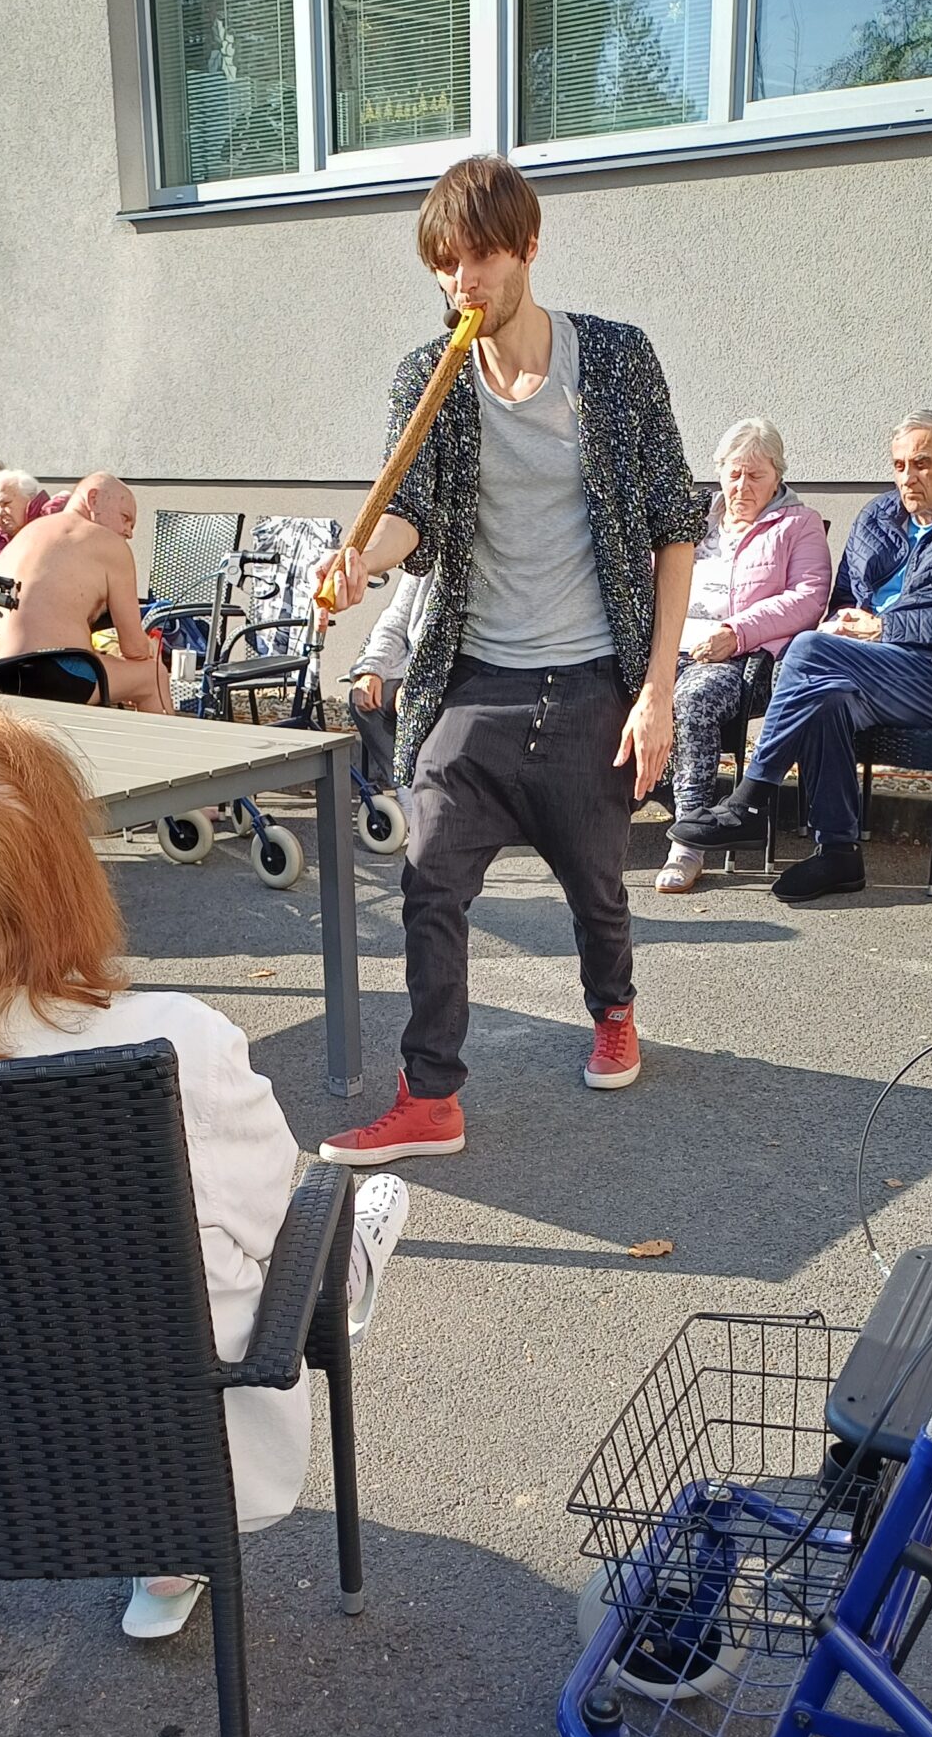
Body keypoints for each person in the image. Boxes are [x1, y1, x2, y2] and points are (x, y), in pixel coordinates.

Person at [0, 696, 409, 1640]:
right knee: (312, 1226)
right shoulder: (172, 1043)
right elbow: (275, 1228)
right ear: (63, 873)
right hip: (158, 1450)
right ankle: (170, 1545)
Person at [311, 154, 700, 1164]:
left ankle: (613, 1009)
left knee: (596, 886)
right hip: (475, 679)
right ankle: (430, 1095)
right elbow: (411, 514)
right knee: (429, 879)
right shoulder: (430, 375)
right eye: (446, 264)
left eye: (480, 256)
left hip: (593, 679)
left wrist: (657, 691)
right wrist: (362, 560)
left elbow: (674, 527)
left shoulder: (615, 360)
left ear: (528, 246)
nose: (463, 281)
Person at [686, 412, 932, 902]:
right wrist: (842, 624)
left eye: (922, 464)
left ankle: (750, 802)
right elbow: (845, 597)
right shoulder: (878, 515)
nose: (908, 477)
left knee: (807, 648)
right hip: (866, 667)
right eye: (899, 465)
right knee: (824, 698)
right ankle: (838, 854)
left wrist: (885, 628)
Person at [658, 418, 831, 895]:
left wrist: (736, 633)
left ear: (778, 475)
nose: (741, 486)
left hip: (740, 659)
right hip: (668, 645)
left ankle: (688, 840)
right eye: (733, 474)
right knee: (605, 685)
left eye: (755, 475)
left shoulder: (798, 524)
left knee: (693, 700)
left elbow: (808, 599)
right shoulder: (695, 517)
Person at [0, 471, 169, 713]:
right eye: (125, 518)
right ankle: (161, 739)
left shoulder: (30, 531)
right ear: (93, 499)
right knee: (153, 675)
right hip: (41, 672)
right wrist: (146, 650)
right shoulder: (108, 542)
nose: (129, 532)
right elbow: (134, 648)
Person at [348, 568, 431, 796]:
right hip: (414, 666)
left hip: (469, 672)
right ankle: (407, 793)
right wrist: (372, 670)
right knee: (368, 697)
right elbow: (394, 621)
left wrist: (419, 684)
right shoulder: (423, 561)